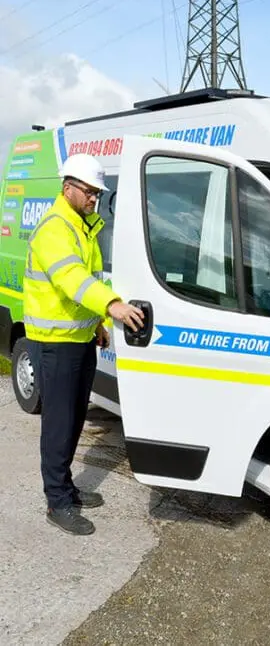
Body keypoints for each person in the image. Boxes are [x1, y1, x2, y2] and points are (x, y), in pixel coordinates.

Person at [23, 153, 145, 536]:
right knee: (58, 425)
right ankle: (57, 502)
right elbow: (74, 280)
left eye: (97, 193)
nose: (95, 198)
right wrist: (112, 305)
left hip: (78, 339)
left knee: (74, 419)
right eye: (90, 191)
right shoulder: (55, 228)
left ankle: (67, 487)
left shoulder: (82, 225)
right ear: (68, 188)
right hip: (55, 344)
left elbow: (80, 290)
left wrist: (96, 325)